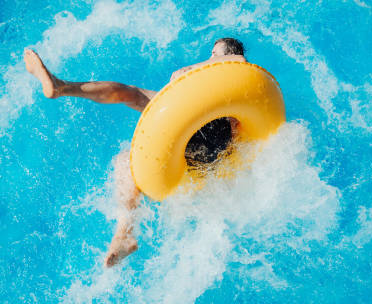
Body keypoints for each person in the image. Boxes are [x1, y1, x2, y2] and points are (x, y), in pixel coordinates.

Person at [24, 38, 246, 267]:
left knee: (125, 158)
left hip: (206, 137)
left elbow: (238, 60)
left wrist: (188, 69)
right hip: (198, 139)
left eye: (213, 53)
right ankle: (61, 87)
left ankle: (125, 232)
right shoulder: (218, 86)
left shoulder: (233, 72)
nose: (210, 58)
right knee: (129, 93)